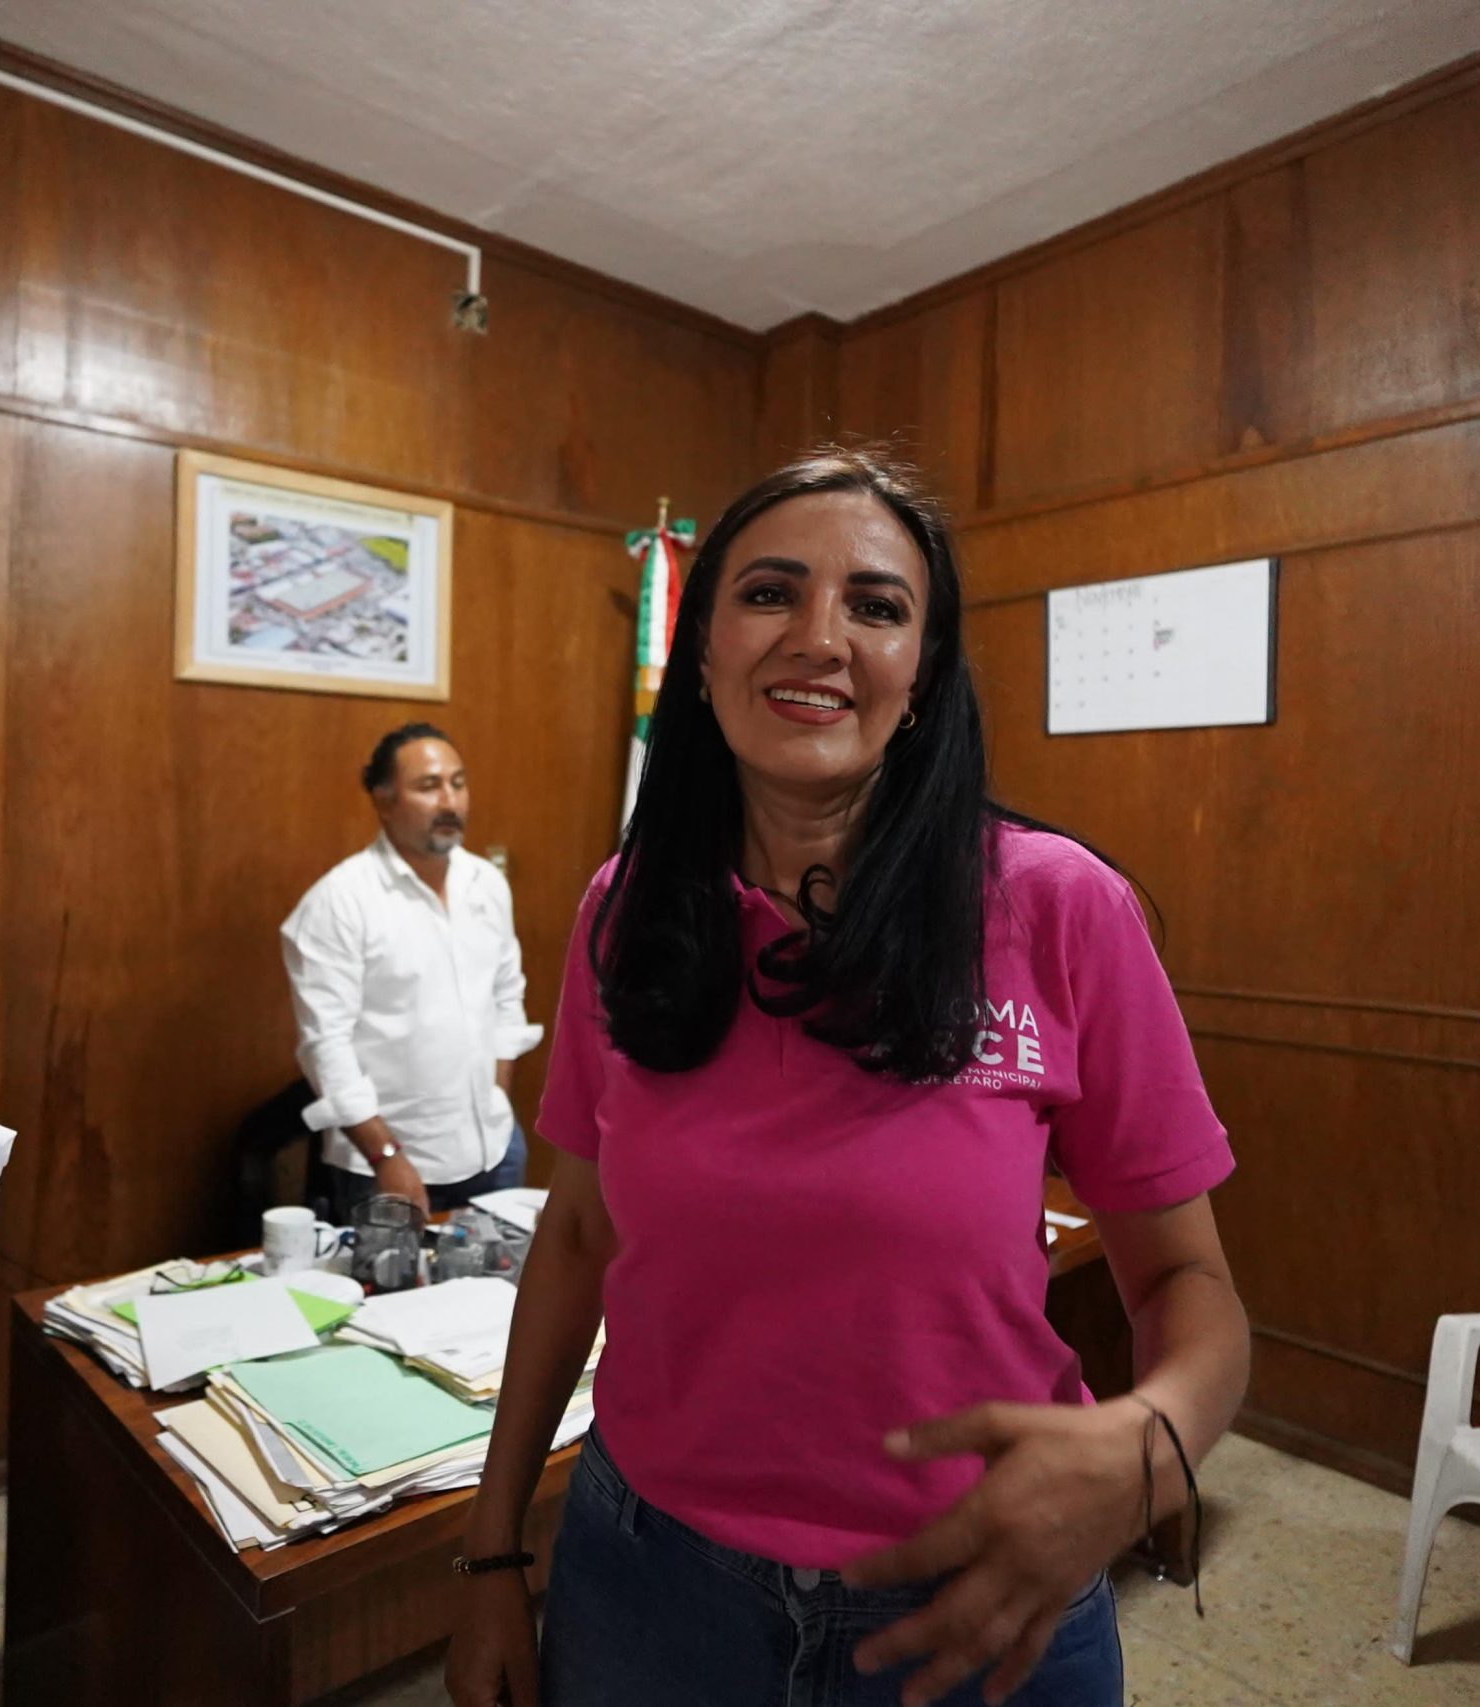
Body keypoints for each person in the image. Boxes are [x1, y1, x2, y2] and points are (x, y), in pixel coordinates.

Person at [446, 450, 1251, 1707]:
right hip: (648, 1582)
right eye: (769, 594)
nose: (819, 638)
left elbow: (1189, 1282)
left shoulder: (1057, 907)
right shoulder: (626, 907)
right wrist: (492, 1551)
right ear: (701, 653)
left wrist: (1150, 1446)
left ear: (922, 677)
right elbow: (576, 1233)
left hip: (978, 1597)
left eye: (875, 607)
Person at [280, 724, 543, 1224]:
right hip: (389, 1165)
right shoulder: (340, 902)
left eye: (458, 783)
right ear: (383, 801)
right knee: (393, 1299)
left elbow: (507, 996)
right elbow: (325, 1047)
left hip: (494, 1151)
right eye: (428, 786)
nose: (450, 801)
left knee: (492, 1298)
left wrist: (497, 1096)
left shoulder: (486, 884)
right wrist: (386, 1158)